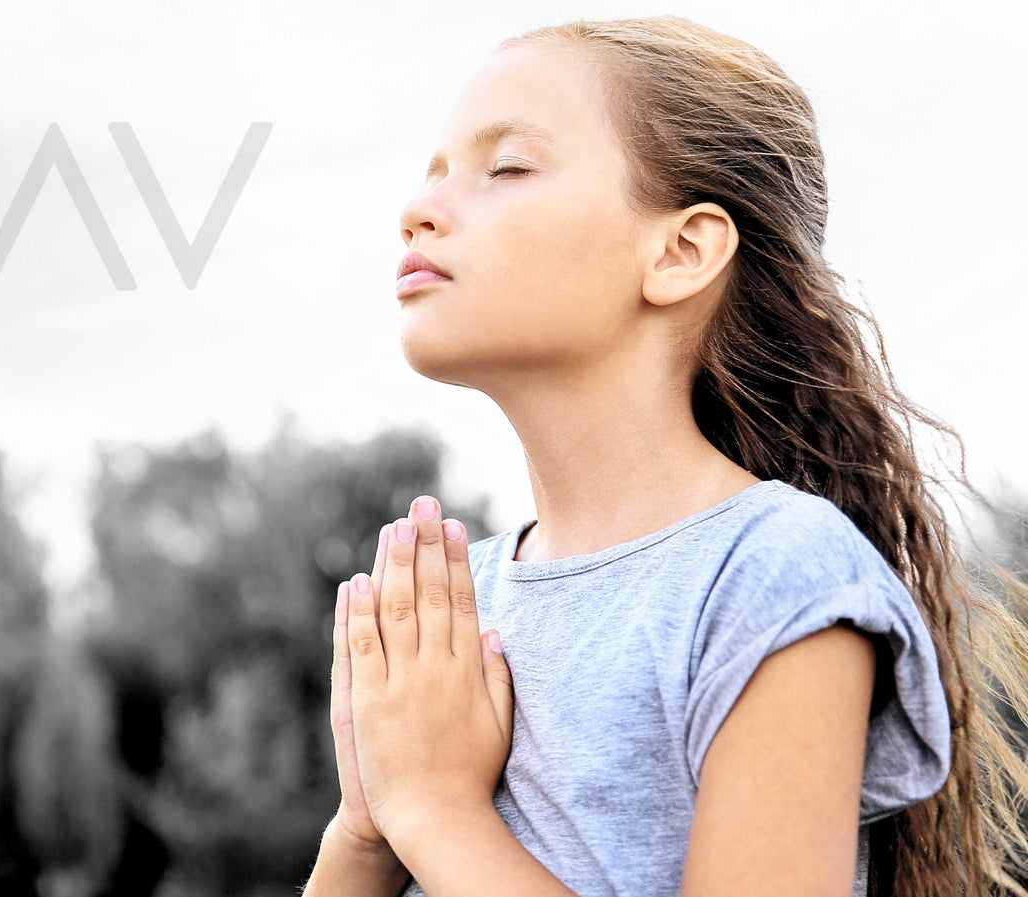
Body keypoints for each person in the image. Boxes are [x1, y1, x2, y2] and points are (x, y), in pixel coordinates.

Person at [299, 14, 1028, 897]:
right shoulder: (454, 604)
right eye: (436, 174)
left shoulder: (773, 575)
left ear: (682, 251)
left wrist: (436, 809)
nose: (421, 209)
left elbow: (436, 812)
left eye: (507, 168)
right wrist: (366, 827)